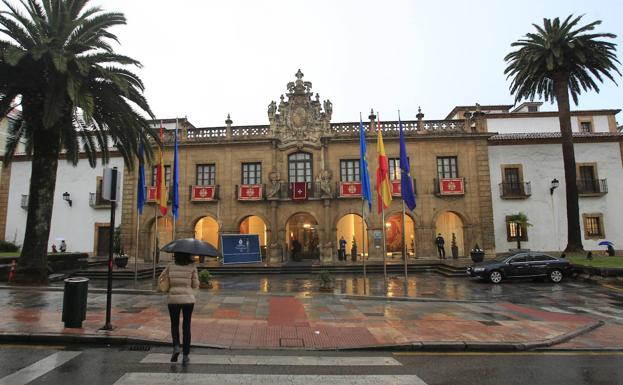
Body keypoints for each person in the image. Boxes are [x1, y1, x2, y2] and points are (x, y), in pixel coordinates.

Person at [159, 252, 199, 364]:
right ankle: (185, 355)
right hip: (188, 300)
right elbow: (195, 285)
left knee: (174, 324)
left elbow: (161, 278)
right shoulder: (192, 267)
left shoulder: (170, 266)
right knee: (186, 326)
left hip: (173, 299)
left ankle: (176, 346)